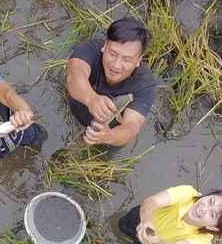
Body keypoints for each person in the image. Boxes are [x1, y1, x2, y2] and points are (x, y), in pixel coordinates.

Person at [65, 17, 157, 147]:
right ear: (105, 46)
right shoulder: (89, 49)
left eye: (127, 59)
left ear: (138, 60)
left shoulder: (145, 84)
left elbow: (132, 126)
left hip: (107, 132)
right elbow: (74, 75)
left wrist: (109, 136)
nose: (116, 65)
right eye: (113, 54)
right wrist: (91, 98)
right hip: (75, 111)